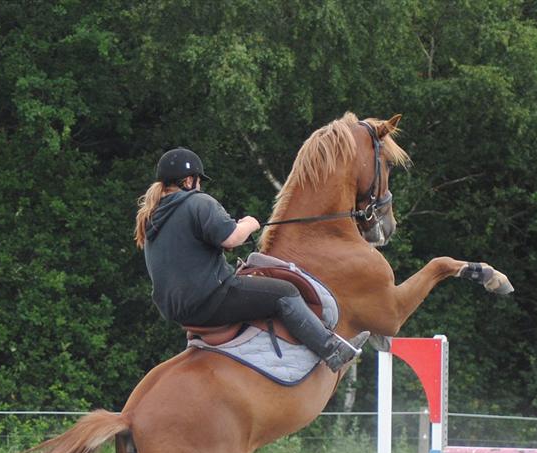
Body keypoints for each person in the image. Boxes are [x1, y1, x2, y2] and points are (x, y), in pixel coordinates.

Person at [134, 147, 368, 371]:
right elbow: (231, 239)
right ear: (187, 181)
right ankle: (332, 351)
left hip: (178, 311)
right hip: (212, 298)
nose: (199, 185)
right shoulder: (197, 202)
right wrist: (249, 223)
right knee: (284, 292)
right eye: (198, 180)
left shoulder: (153, 215)